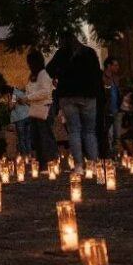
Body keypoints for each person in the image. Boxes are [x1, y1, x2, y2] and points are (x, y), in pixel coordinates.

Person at [45, 36, 102, 173]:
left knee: (74, 130)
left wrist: (58, 75)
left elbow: (49, 70)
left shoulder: (61, 54)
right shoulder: (89, 52)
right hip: (88, 95)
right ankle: (93, 164)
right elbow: (97, 72)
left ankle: (78, 165)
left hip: (68, 96)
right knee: (90, 131)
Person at [21, 51, 56, 171]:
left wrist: (28, 97)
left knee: (45, 136)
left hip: (44, 109)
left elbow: (45, 92)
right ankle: (42, 163)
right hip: (35, 109)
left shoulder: (43, 74)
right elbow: (31, 90)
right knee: (36, 138)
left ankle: (49, 163)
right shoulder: (33, 76)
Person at [102, 56, 122, 155]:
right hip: (107, 111)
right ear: (109, 66)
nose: (117, 67)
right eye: (115, 65)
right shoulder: (102, 78)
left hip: (117, 110)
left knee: (117, 135)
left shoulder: (116, 78)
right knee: (109, 135)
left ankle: (116, 154)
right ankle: (109, 155)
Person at [6, 86, 32, 156]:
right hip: (28, 116)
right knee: (28, 138)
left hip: (20, 118)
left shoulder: (14, 94)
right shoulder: (22, 92)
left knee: (21, 138)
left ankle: (24, 155)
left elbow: (11, 106)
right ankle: (29, 155)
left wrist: (9, 98)